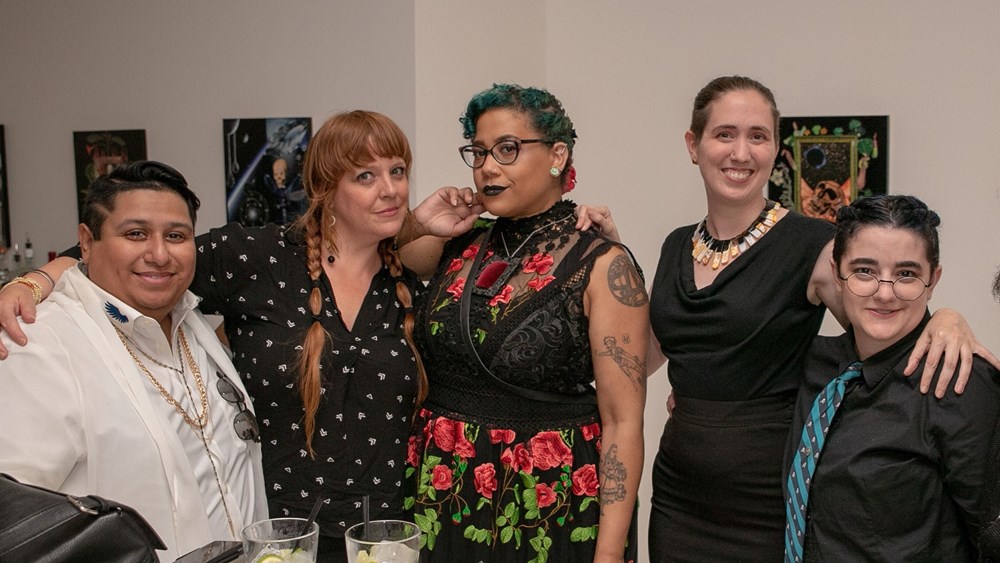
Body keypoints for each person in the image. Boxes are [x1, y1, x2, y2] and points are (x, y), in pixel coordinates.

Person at [643, 76, 999, 561]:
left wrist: (948, 319)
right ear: (694, 144)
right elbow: (649, 355)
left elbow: (881, 307)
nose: (741, 152)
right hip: (680, 493)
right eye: (724, 134)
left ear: (777, 149)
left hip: (766, 496)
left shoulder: (814, 244)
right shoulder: (674, 244)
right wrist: (607, 262)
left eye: (758, 136)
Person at [404, 84, 647, 562]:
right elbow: (392, 255)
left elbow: (623, 423)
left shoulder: (602, 263)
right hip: (443, 488)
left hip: (546, 498)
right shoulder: (458, 243)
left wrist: (610, 553)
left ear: (558, 154)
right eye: (478, 152)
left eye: (507, 149)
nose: (487, 167)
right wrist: (423, 217)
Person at [0, 161, 268, 562]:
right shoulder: (39, 346)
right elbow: (14, 527)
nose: (159, 254)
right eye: (136, 234)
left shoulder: (189, 323)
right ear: (86, 243)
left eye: (176, 236)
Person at [782, 194, 1000, 561]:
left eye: (906, 274)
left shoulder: (961, 382)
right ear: (836, 273)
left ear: (933, 280)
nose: (885, 293)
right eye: (864, 271)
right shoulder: (815, 363)